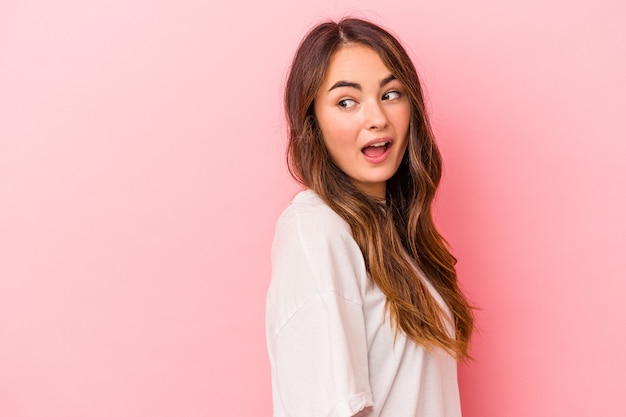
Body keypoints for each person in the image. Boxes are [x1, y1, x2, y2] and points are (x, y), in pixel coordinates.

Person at [266, 17, 474, 417]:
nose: (377, 118)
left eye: (391, 94)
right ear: (312, 122)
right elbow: (330, 408)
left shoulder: (396, 237)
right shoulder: (316, 229)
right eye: (347, 102)